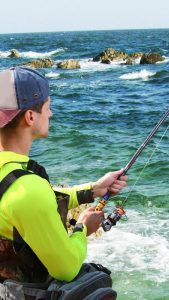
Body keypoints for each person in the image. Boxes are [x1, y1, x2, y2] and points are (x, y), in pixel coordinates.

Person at [0, 66, 127, 286]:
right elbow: (66, 268)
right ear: (30, 116)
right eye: (47, 107)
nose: (50, 114)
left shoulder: (16, 179)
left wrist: (94, 190)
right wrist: (83, 228)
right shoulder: (28, 189)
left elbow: (27, 194)